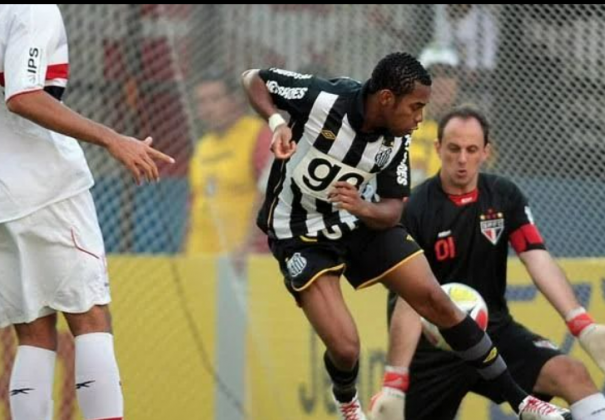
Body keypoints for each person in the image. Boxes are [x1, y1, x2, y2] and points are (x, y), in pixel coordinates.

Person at [240, 52, 570, 420]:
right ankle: (348, 403)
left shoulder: (396, 139)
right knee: (347, 348)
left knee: (437, 300)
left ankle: (523, 402)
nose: (419, 119)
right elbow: (253, 78)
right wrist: (275, 122)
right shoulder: (323, 99)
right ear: (385, 99)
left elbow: (393, 208)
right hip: (298, 233)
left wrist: (361, 209)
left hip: (357, 222)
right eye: (414, 107)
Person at [370, 106, 605, 420]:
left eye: (471, 150)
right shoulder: (414, 209)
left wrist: (582, 324)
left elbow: (536, 257)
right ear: (438, 148)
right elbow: (410, 296)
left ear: (486, 152)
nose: (463, 159)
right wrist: (395, 380)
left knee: (571, 372)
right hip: (431, 347)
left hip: (492, 331)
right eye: (453, 149)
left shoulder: (504, 196)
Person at [0, 5, 174, 420]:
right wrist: (113, 138)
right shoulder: (32, 10)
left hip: (5, 198)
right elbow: (23, 96)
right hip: (45, 188)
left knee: (34, 329)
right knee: (90, 318)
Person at [186, 73, 272, 255]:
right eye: (201, 102)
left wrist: (249, 245)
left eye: (215, 99)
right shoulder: (202, 147)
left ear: (235, 100)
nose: (207, 108)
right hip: (200, 257)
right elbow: (194, 203)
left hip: (243, 260)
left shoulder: (258, 135)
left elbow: (271, 193)